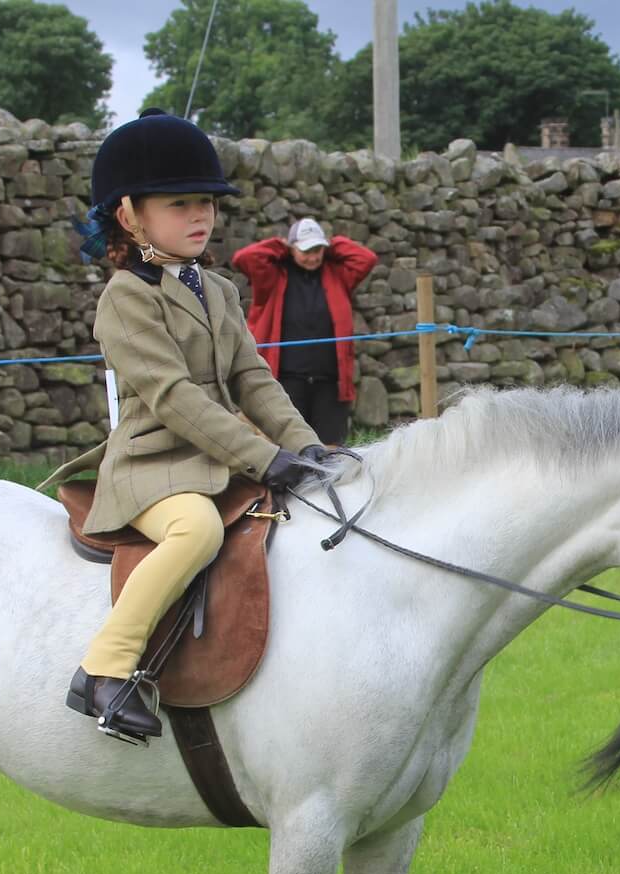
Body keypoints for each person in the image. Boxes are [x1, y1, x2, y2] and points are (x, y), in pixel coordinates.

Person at [49, 109, 329, 743]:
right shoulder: (125, 298)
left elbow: (253, 378)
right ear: (130, 215)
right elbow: (173, 398)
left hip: (216, 457)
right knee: (197, 529)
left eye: (206, 201)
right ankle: (104, 669)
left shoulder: (220, 289)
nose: (200, 215)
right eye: (179, 204)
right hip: (152, 467)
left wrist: (308, 448)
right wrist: (262, 457)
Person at [231, 218, 380, 446]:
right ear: (292, 249)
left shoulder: (338, 275)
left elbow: (366, 259)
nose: (313, 257)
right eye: (306, 251)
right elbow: (244, 258)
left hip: (329, 382)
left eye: (318, 250)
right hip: (284, 381)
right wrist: (281, 246)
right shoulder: (271, 276)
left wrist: (333, 245)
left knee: (331, 451)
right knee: (284, 448)